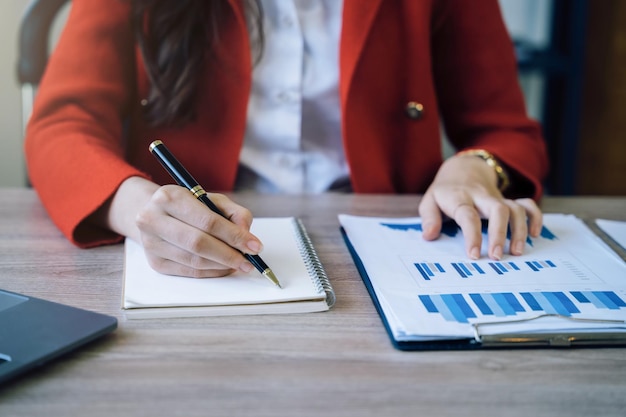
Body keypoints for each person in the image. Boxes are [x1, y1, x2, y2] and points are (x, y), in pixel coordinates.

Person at [25, 0, 549, 278]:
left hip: (397, 242)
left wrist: (476, 167)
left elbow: (502, 127)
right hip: (193, 247)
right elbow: (61, 126)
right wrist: (134, 204)